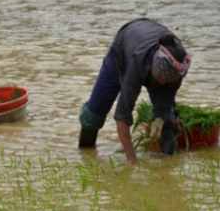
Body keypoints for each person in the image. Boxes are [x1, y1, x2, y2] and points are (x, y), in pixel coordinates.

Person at [78, 18, 191, 165]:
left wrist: (160, 119)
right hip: (122, 50)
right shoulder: (136, 64)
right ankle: (86, 156)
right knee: (93, 115)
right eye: (159, 78)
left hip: (145, 38)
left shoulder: (178, 66)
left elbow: (166, 98)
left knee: (168, 118)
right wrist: (131, 158)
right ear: (152, 68)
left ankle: (167, 162)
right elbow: (122, 115)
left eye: (166, 81)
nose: (161, 83)